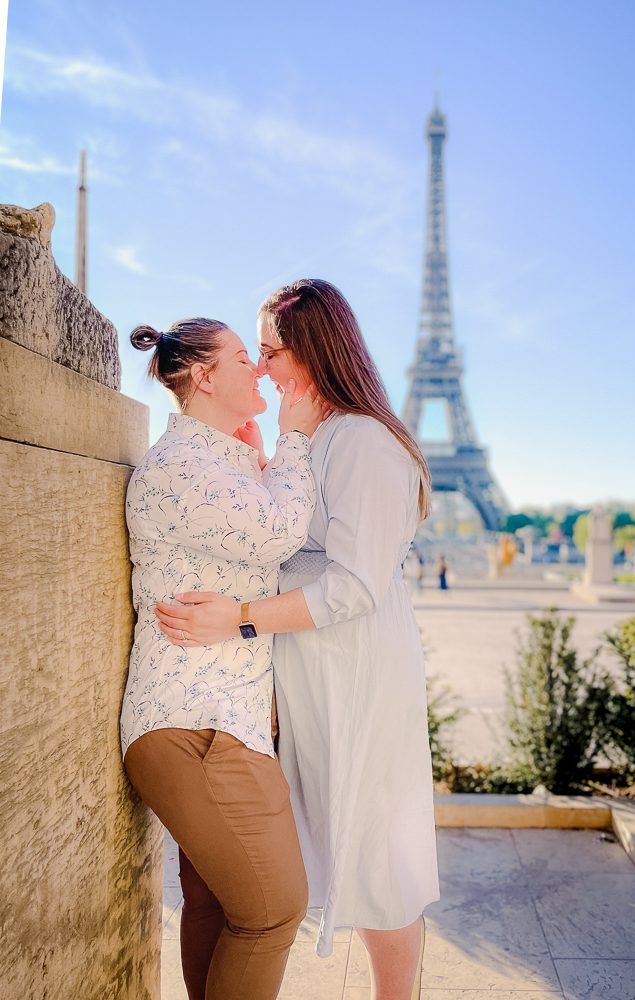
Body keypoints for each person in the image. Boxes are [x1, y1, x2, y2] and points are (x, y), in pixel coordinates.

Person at [154, 280, 440, 1000]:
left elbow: (351, 588)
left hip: (356, 671)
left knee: (379, 849)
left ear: (311, 352)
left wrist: (239, 615)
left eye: (273, 352)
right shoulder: (315, 436)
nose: (264, 369)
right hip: (308, 669)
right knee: (337, 839)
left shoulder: (366, 443)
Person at [121, 317, 326, 1000]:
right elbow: (280, 530)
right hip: (200, 729)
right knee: (273, 911)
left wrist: (261, 451)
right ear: (204, 377)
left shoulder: (208, 461)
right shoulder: (182, 467)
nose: (261, 370)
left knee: (219, 907)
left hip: (209, 725)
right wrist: (295, 438)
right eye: (245, 359)